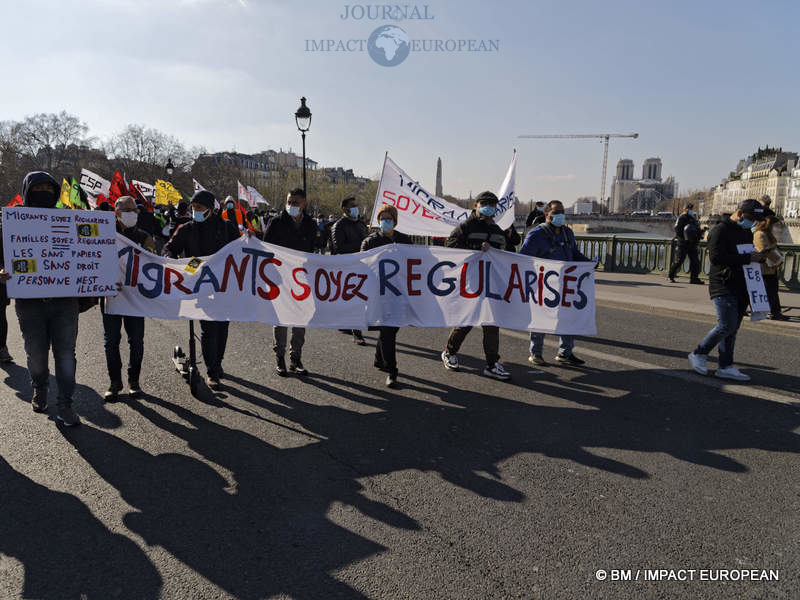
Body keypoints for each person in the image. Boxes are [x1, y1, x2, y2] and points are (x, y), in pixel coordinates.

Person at [0, 172, 81, 425]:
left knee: (66, 354)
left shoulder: (70, 220)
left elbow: (88, 254)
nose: (44, 191)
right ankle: (40, 387)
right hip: (30, 304)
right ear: (27, 192)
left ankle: (66, 404)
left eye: (49, 187)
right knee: (36, 355)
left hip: (64, 302)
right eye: (38, 188)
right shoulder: (11, 224)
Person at [163, 190, 240, 389]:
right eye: (193, 207)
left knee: (222, 327)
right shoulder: (186, 228)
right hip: (199, 283)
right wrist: (174, 263)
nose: (195, 211)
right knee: (208, 329)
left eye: (200, 208)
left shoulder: (226, 227)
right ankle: (212, 371)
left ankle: (217, 363)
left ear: (210, 209)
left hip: (223, 285)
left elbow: (240, 251)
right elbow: (170, 248)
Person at [688, 199, 767, 381]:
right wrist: (748, 258)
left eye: (756, 220)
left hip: (741, 284)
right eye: (751, 218)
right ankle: (699, 353)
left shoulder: (746, 231)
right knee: (726, 325)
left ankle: (725, 366)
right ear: (739, 214)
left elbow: (745, 254)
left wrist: (758, 257)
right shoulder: (720, 231)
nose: (753, 222)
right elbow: (716, 258)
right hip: (722, 284)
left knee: (733, 328)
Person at [441, 191, 511, 380]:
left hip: (491, 284)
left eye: (492, 204)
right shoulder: (466, 226)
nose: (488, 207)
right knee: (467, 321)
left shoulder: (497, 230)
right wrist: (475, 251)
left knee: (491, 324)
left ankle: (491, 364)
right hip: (470, 282)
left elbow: (507, 254)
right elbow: (450, 246)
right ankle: (450, 351)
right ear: (476, 205)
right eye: (484, 203)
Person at [519, 200, 593, 366]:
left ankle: (565, 353)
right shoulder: (536, 234)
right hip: (542, 283)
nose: (560, 215)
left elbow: (574, 253)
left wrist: (588, 264)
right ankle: (536, 353)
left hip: (565, 283)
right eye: (556, 212)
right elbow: (524, 258)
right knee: (541, 317)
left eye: (562, 211)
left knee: (568, 317)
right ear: (547, 215)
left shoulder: (567, 233)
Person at [102, 197, 156, 401]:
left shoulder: (144, 237)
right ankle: (114, 382)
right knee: (111, 342)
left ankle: (134, 381)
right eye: (125, 210)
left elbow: (154, 264)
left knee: (137, 341)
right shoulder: (106, 235)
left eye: (133, 210)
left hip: (135, 299)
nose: (130, 213)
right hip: (111, 296)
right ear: (116, 213)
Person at [262, 188, 317, 376]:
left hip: (302, 278)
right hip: (280, 278)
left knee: (301, 319)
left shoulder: (310, 223)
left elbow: (314, 248)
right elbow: (266, 247)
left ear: (304, 204)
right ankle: (280, 358)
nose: (291, 205)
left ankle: (296, 358)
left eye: (296, 203)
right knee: (281, 320)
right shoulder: (276, 222)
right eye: (289, 202)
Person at [361, 205, 413, 387]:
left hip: (398, 294)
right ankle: (392, 370)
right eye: (382, 218)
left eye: (389, 218)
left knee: (390, 329)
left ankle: (379, 358)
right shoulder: (370, 242)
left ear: (395, 220)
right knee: (388, 330)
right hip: (378, 295)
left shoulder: (405, 241)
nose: (385, 221)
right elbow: (361, 265)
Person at [330, 196, 369, 344]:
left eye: (356, 205)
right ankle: (357, 332)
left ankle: (345, 323)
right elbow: (338, 247)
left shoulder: (360, 223)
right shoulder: (338, 226)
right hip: (347, 267)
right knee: (354, 299)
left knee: (353, 299)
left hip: (362, 266)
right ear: (344, 209)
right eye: (352, 206)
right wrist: (360, 247)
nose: (355, 208)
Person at [753, 215, 786, 320]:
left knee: (772, 290)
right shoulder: (760, 234)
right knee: (769, 291)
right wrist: (778, 260)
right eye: (775, 225)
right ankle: (773, 312)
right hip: (765, 268)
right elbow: (764, 251)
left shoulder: (767, 234)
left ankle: (775, 312)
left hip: (771, 268)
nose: (777, 228)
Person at [668, 203, 703, 284]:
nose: (691, 210)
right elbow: (677, 230)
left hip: (692, 243)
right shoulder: (681, 218)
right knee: (679, 260)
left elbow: (696, 228)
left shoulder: (692, 218)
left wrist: (699, 233)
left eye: (691, 208)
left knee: (695, 261)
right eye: (689, 208)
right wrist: (684, 237)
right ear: (685, 209)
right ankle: (671, 276)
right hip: (683, 243)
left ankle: (694, 278)